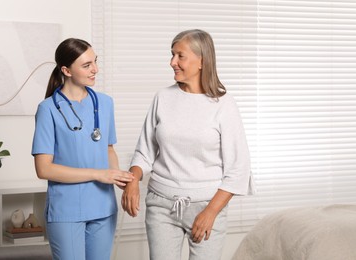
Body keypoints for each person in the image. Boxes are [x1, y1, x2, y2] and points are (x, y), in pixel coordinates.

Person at [121, 29, 255, 260]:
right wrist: (133, 180)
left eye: (180, 56)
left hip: (207, 205)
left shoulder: (223, 105)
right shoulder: (163, 98)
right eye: (172, 55)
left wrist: (211, 212)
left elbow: (238, 170)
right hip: (161, 204)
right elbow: (145, 152)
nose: (172, 62)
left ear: (202, 60)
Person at [31, 38, 134, 260]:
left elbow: (108, 149)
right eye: (86, 65)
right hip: (67, 209)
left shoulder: (105, 104)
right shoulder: (48, 109)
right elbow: (44, 169)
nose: (95, 69)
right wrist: (99, 174)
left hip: (103, 206)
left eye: (95, 62)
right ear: (66, 70)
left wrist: (117, 176)